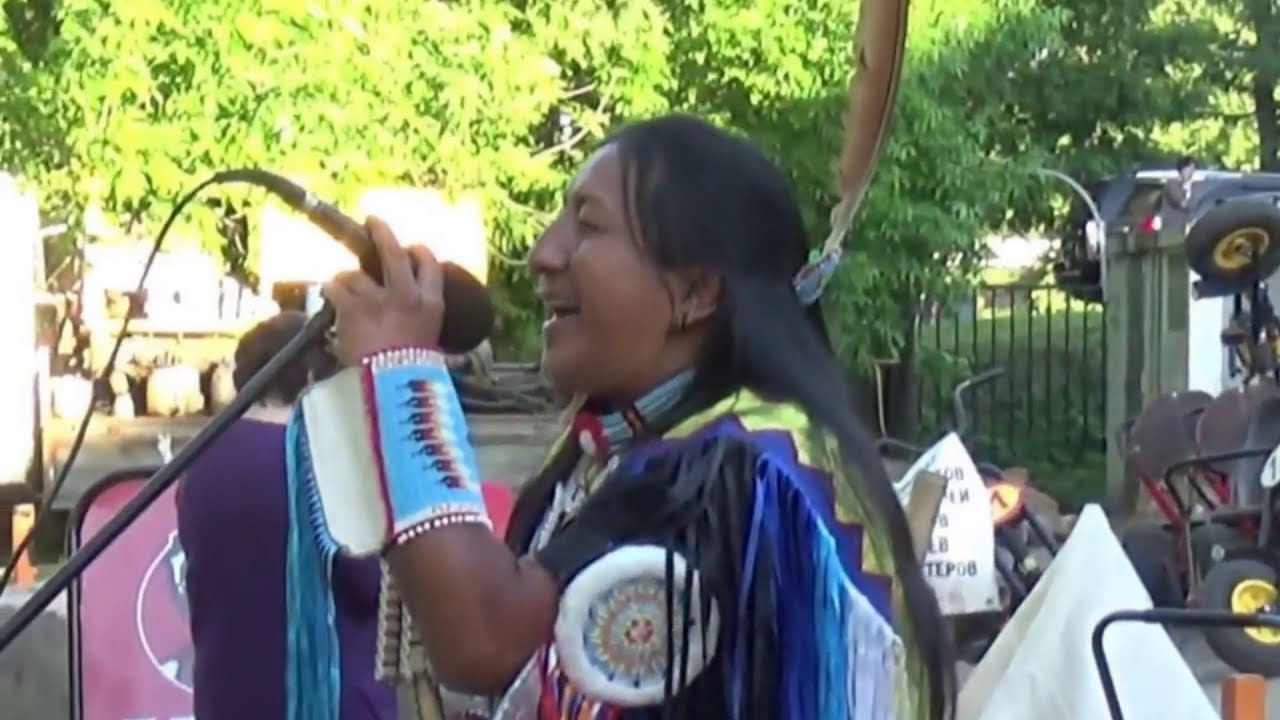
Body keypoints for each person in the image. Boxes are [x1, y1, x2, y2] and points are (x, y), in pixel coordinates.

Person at [296, 114, 954, 719]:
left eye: (588, 225)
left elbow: (487, 637)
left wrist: (402, 373)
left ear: (694, 291)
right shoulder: (632, 450)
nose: (543, 254)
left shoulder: (743, 464)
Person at [176, 311, 398, 719]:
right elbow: (367, 585)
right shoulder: (327, 461)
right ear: (314, 380)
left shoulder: (199, 461)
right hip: (328, 702)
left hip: (226, 697)